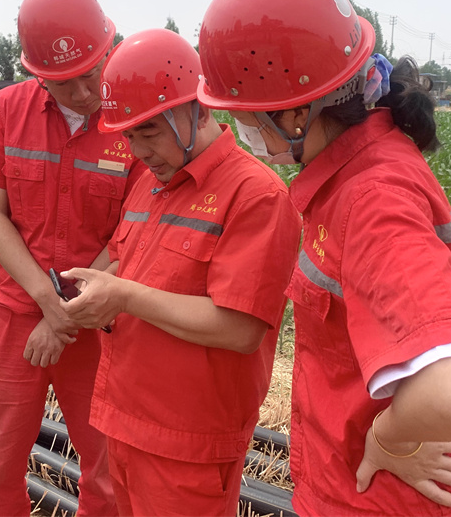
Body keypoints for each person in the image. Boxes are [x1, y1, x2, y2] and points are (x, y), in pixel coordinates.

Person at [196, 0, 451, 517]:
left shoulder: (369, 199)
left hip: (380, 500)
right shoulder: (354, 174)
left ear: (295, 115)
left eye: (245, 117)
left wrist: (387, 438)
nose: (240, 132)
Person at [59, 27, 302, 517]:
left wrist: (123, 295)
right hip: (123, 418)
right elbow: (127, 261)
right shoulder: (149, 183)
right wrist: (93, 289)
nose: (139, 151)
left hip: (187, 442)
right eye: (128, 136)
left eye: (149, 131)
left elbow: (240, 328)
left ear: (200, 110)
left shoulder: (255, 196)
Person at [0, 0, 145, 516]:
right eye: (66, 84)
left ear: (109, 50)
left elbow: (131, 232)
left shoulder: (134, 123)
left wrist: (66, 313)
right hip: (15, 314)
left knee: (106, 465)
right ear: (39, 76)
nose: (86, 93)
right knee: (0, 460)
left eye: (93, 73)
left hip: (98, 319)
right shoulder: (4, 111)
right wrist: (46, 301)